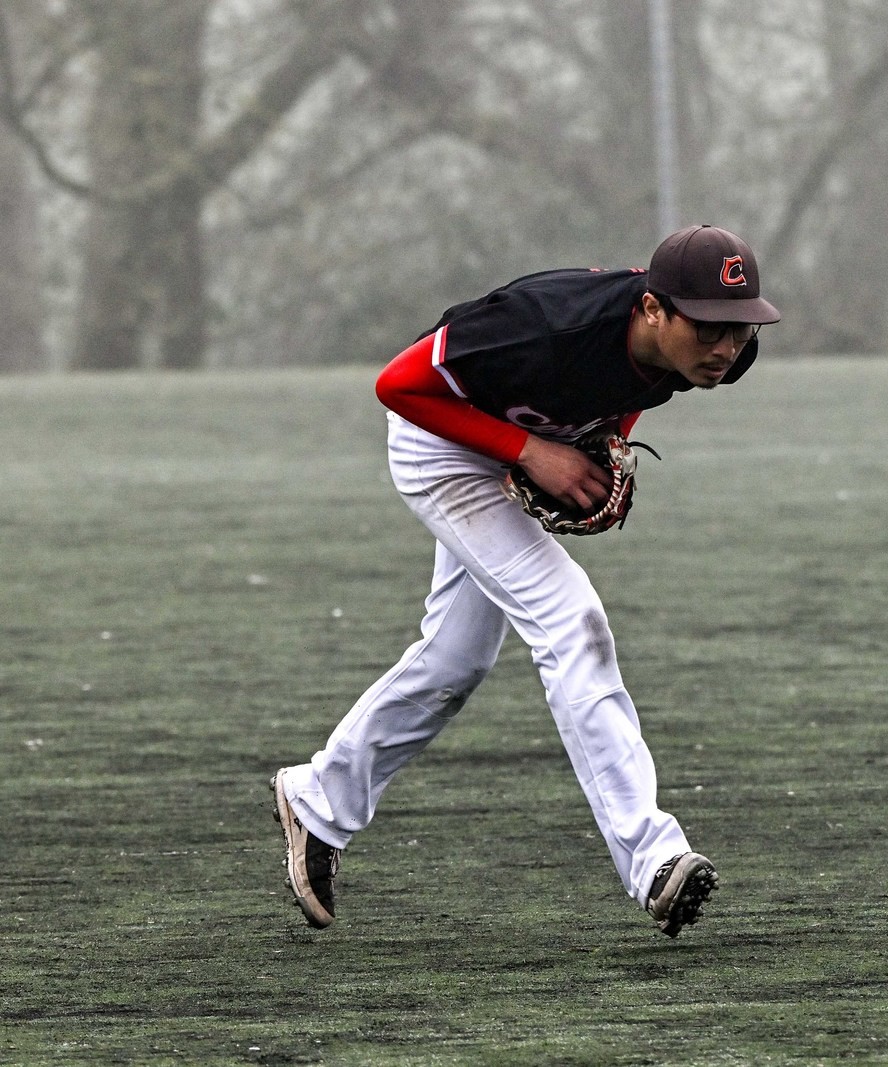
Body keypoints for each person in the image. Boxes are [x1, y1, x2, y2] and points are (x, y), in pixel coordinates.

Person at [271, 224, 779, 938]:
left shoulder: (710, 355)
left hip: (514, 438)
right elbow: (397, 386)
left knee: (453, 662)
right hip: (440, 442)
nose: (727, 346)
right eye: (710, 326)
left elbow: (628, 390)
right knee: (572, 621)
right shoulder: (546, 323)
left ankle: (318, 799)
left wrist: (603, 445)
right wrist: (533, 452)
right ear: (653, 308)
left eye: (740, 324)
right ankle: (654, 857)